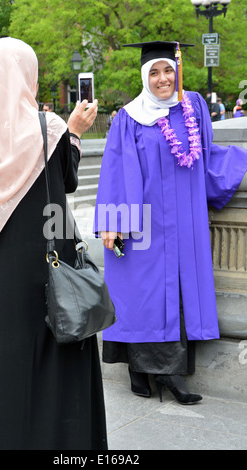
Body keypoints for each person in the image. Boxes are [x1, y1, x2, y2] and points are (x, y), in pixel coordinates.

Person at [0, 37, 107, 450]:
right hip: (47, 268)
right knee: (52, 366)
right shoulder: (48, 128)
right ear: (27, 77)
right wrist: (74, 133)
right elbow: (66, 183)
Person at [94, 40, 247, 405]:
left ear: (176, 71)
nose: (163, 79)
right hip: (144, 222)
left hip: (185, 220)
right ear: (144, 77)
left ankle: (165, 374)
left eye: (167, 70)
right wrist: (112, 223)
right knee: (142, 292)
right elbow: (115, 169)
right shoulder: (129, 118)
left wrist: (236, 163)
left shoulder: (192, 107)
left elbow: (206, 155)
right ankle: (144, 369)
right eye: (154, 72)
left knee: (176, 290)